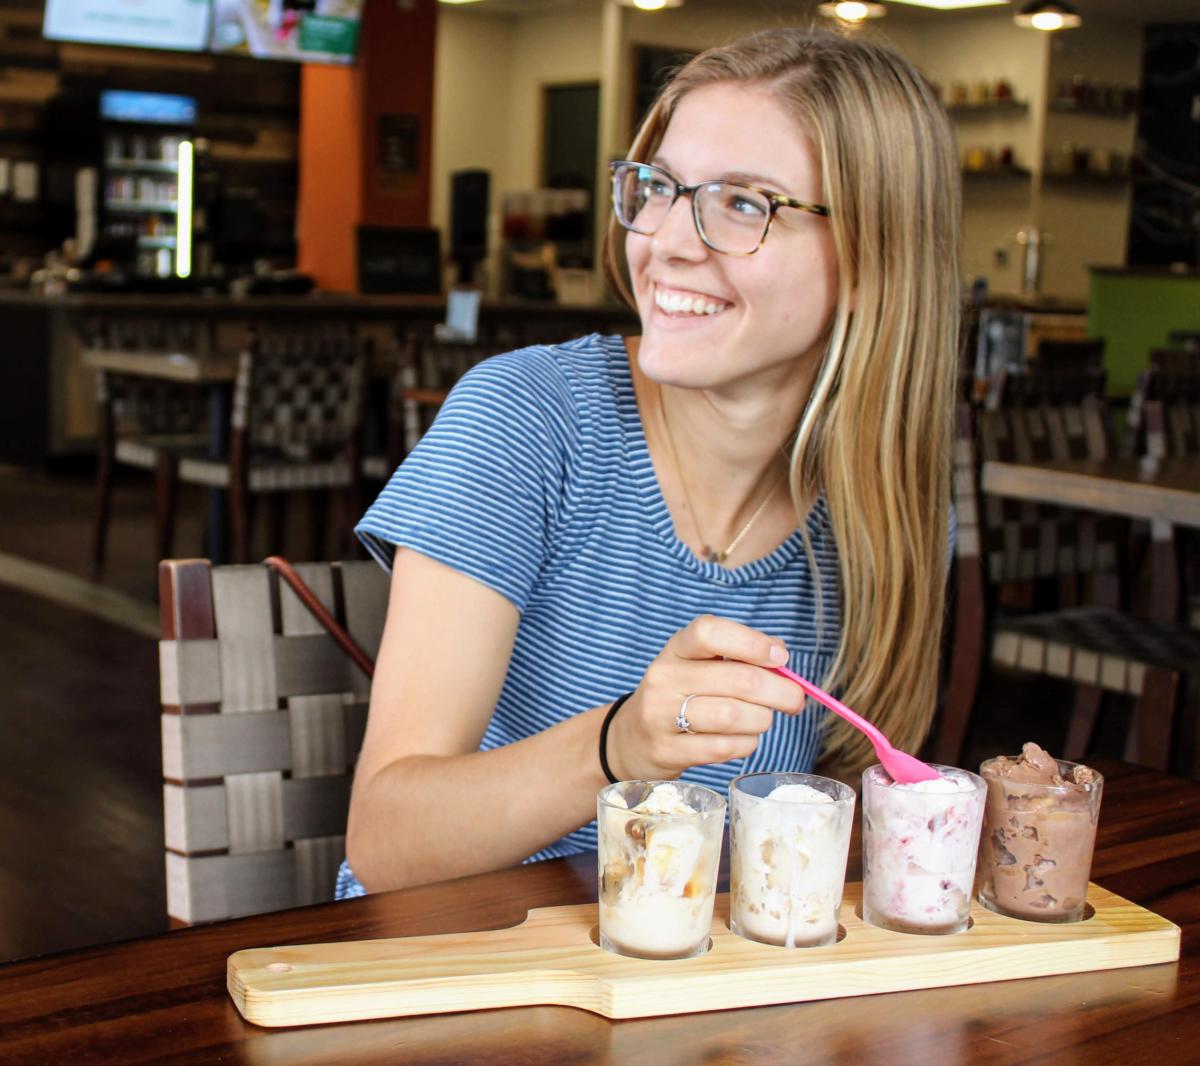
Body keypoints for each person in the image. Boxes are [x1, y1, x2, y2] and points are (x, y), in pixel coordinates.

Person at [337, 26, 960, 897]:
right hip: (456, 978)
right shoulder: (529, 421)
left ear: (874, 258)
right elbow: (385, 842)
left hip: (694, 1002)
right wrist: (618, 746)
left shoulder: (884, 509)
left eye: (745, 203)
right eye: (660, 187)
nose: (667, 240)